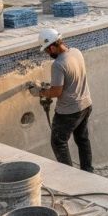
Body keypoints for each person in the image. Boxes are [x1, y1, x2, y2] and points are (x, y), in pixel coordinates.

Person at [34, 27, 94, 173]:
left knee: (58, 142)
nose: (48, 54)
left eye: (48, 51)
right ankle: (88, 172)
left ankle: (69, 176)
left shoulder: (58, 64)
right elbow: (70, 79)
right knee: (82, 139)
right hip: (85, 104)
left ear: (53, 46)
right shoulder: (76, 52)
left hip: (69, 111)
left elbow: (56, 91)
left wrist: (39, 91)